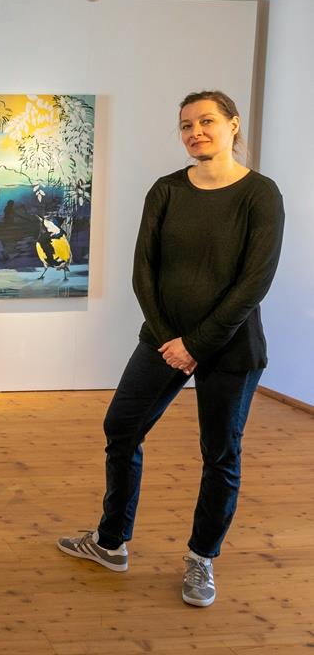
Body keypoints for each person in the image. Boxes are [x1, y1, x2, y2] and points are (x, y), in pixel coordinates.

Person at [57, 90, 285, 608]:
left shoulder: (261, 194)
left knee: (220, 454)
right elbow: (144, 272)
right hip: (163, 341)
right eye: (186, 125)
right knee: (121, 427)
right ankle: (111, 542)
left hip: (233, 348)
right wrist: (169, 341)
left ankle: (202, 559)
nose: (195, 132)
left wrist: (198, 345)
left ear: (232, 125)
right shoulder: (165, 190)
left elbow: (254, 282)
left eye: (206, 121)